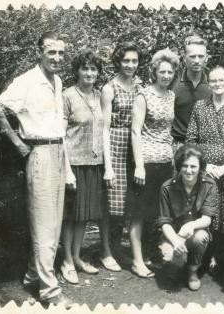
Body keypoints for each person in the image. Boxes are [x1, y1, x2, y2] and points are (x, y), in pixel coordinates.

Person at [0, 32, 73, 307]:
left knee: (54, 223)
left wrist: (67, 165)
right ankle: (50, 292)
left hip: (58, 152)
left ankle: (31, 277)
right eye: (51, 52)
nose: (57, 58)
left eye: (61, 53)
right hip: (39, 154)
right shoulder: (26, 81)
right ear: (40, 52)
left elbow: (58, 127)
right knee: (45, 226)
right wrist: (18, 144)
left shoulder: (57, 81)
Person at [186, 66, 224, 270]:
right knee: (205, 211)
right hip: (205, 171)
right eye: (213, 80)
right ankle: (202, 256)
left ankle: (220, 257)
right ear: (208, 83)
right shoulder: (200, 106)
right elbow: (191, 140)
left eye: (222, 80)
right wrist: (205, 165)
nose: (218, 84)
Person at [60, 49, 110, 284]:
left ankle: (77, 257)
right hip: (74, 164)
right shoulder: (67, 95)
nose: (90, 72)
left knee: (84, 216)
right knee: (70, 216)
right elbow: (60, 136)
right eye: (85, 68)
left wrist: (107, 165)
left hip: (95, 164)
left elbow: (104, 131)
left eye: (93, 69)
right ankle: (67, 261)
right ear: (77, 71)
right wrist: (67, 169)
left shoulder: (100, 96)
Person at [130, 48, 179, 278]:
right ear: (154, 72)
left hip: (165, 161)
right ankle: (137, 261)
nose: (166, 75)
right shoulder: (144, 95)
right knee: (140, 212)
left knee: (157, 212)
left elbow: (168, 130)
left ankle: (150, 255)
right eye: (162, 71)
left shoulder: (171, 95)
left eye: (170, 72)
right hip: (146, 161)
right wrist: (139, 165)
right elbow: (135, 131)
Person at [101, 41, 143, 272]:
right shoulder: (109, 88)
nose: (130, 65)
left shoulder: (139, 87)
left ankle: (118, 249)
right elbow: (104, 128)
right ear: (118, 61)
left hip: (135, 146)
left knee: (129, 202)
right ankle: (105, 250)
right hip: (116, 146)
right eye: (126, 60)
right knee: (111, 203)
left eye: (134, 61)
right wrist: (108, 165)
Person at [157, 144, 219, 291]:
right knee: (170, 265)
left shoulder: (209, 185)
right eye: (185, 166)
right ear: (179, 166)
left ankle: (192, 271)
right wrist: (175, 241)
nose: (189, 170)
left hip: (196, 233)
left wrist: (191, 225)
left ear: (200, 167)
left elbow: (207, 219)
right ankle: (178, 262)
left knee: (200, 237)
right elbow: (164, 222)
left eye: (193, 166)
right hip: (172, 234)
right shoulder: (167, 188)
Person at [171, 35, 211, 152]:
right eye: (192, 56)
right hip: (177, 146)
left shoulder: (213, 86)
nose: (197, 61)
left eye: (201, 56)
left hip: (204, 147)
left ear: (206, 58)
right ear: (184, 58)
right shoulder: (173, 84)